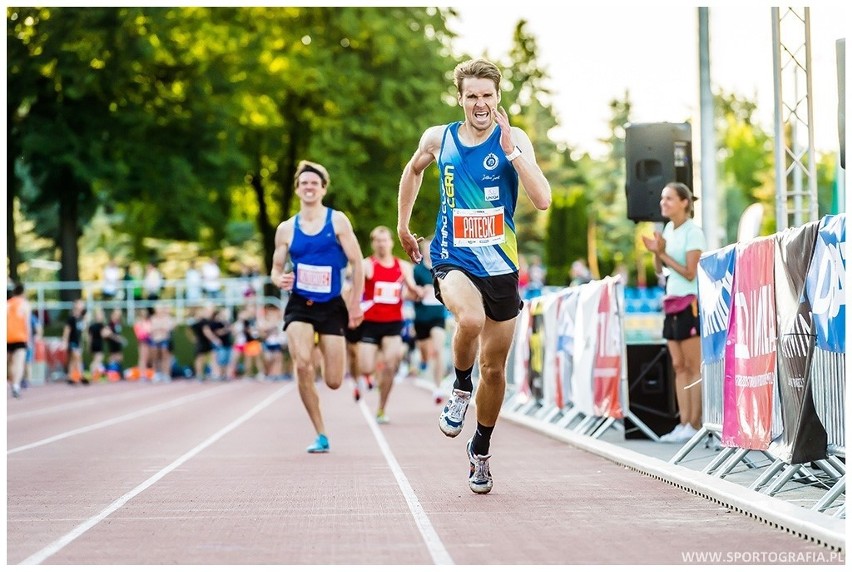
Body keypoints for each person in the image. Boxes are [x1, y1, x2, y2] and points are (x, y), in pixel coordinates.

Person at [397, 58, 552, 494]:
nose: (480, 104)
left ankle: (480, 449)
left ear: (497, 97)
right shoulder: (438, 137)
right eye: (472, 96)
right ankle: (460, 387)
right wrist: (403, 226)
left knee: (496, 370)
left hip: (500, 265)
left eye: (487, 96)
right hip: (453, 255)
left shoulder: (514, 137)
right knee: (469, 321)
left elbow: (542, 200)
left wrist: (512, 152)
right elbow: (413, 170)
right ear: (460, 98)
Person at [271, 160, 365, 453]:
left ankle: (325, 352)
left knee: (334, 381)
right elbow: (274, 270)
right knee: (301, 364)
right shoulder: (286, 229)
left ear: (323, 189)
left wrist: (355, 304)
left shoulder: (337, 221)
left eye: (314, 183)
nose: (309, 187)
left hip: (332, 305)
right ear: (298, 189)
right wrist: (280, 279)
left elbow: (357, 262)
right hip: (300, 303)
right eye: (304, 183)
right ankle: (321, 433)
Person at [642, 182, 706, 443]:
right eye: (662, 198)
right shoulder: (668, 228)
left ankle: (696, 423)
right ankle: (683, 422)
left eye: (669, 198)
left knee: (693, 365)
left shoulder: (693, 232)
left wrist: (663, 254)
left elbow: (691, 272)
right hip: (672, 303)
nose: (663, 203)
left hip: (689, 302)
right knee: (679, 366)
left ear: (684, 202)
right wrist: (658, 253)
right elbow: (660, 271)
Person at [357, 225, 421, 424]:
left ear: (391, 243)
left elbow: (411, 289)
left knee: (391, 365)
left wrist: (416, 292)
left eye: (385, 240)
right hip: (369, 322)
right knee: (365, 367)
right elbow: (356, 291)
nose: (382, 244)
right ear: (373, 243)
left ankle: (382, 408)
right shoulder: (367, 265)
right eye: (378, 240)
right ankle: (372, 374)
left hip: (393, 322)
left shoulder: (402, 266)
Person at [412, 236, 450, 404]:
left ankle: (438, 387)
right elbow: (407, 293)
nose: (429, 251)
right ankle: (424, 359)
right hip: (421, 317)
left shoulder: (442, 268)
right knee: (425, 352)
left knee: (439, 349)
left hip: (437, 316)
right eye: (426, 248)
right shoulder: (417, 270)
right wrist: (420, 291)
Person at [7, 282, 32, 398]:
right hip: (20, 337)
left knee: (10, 362)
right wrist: (29, 339)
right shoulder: (25, 304)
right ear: (23, 292)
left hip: (7, 337)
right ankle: (16, 385)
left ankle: (12, 382)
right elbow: (27, 323)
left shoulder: (7, 304)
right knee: (19, 362)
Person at [62, 299, 88, 384]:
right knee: (77, 357)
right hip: (72, 341)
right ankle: (81, 375)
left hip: (78, 341)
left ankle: (70, 376)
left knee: (73, 360)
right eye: (80, 304)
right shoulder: (71, 319)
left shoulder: (81, 318)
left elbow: (83, 330)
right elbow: (67, 330)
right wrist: (65, 341)